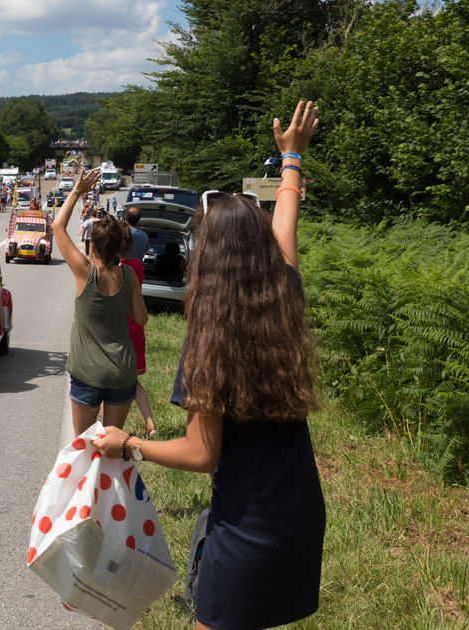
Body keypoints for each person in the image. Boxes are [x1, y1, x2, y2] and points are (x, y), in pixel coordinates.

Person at [92, 101, 324, 630]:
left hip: (246, 532)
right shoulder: (284, 293)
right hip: (300, 519)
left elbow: (201, 452)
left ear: (207, 259)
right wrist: (292, 159)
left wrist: (126, 444)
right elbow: (286, 219)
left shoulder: (208, 341)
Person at [52, 168, 147, 436]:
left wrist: (76, 191)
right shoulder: (128, 274)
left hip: (87, 374)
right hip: (121, 373)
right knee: (111, 449)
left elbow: (57, 226)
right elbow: (141, 318)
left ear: (92, 247)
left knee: (82, 447)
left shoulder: (85, 272)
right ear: (120, 249)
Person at [116, 228, 158, 437]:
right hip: (136, 325)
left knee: (112, 382)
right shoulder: (138, 266)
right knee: (132, 380)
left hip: (120, 328)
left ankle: (111, 429)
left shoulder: (117, 271)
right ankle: (150, 424)